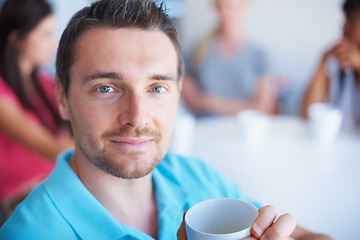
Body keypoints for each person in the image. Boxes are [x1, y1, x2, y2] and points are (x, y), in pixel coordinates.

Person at [0, 0, 331, 239]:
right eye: (106, 88)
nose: (137, 117)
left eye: (156, 87)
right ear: (62, 98)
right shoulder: (29, 233)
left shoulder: (195, 176)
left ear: (178, 93)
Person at [0, 0, 73, 222]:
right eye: (45, 33)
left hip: (53, 180)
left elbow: (76, 128)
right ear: (16, 39)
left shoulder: (44, 83)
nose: (54, 41)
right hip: (21, 193)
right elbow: (50, 148)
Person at [182, 0, 277, 116]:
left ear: (247, 8)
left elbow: (263, 108)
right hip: (204, 127)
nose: (228, 13)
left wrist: (208, 102)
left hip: (242, 129)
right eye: (222, 7)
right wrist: (188, 88)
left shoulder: (260, 56)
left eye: (234, 7)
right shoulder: (199, 48)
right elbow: (181, 75)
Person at [302, 0, 360, 129]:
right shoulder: (337, 61)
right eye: (345, 17)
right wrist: (324, 59)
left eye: (353, 17)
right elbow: (308, 114)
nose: (345, 25)